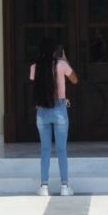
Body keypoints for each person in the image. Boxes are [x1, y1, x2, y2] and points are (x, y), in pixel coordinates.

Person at [30, 38, 78, 196]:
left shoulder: (34, 68)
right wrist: (64, 59)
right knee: (61, 149)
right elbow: (75, 80)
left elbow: (34, 81)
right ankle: (64, 186)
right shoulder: (61, 65)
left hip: (42, 111)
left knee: (45, 150)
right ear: (54, 52)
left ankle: (44, 186)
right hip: (59, 109)